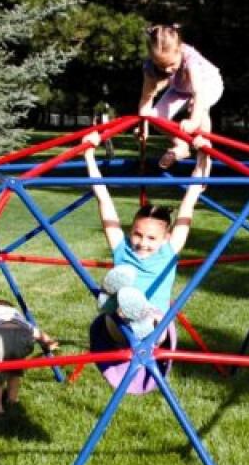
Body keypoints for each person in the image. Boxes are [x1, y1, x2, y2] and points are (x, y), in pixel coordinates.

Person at [82, 130, 211, 343]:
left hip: (154, 329)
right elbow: (103, 199)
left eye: (152, 238)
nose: (142, 243)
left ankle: (135, 311)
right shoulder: (122, 249)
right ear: (130, 231)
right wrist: (88, 154)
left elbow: (189, 200)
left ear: (166, 237)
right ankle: (117, 301)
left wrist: (202, 155)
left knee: (153, 319)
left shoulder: (169, 250)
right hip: (119, 328)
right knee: (117, 313)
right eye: (137, 234)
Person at [138, 24, 223, 169]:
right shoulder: (150, 66)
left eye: (171, 64)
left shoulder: (190, 58)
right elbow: (146, 99)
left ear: (179, 51)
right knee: (154, 117)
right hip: (180, 89)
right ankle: (181, 145)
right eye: (161, 65)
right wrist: (143, 127)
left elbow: (198, 92)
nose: (167, 70)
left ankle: (204, 155)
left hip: (208, 84)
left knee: (198, 108)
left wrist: (193, 121)